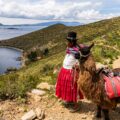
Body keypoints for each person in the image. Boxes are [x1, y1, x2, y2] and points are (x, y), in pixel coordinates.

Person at [55, 31, 84, 112]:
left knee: (72, 88)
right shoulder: (69, 48)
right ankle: (68, 100)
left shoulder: (77, 50)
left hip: (71, 71)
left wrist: (78, 62)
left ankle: (75, 104)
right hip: (64, 70)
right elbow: (67, 56)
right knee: (65, 87)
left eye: (68, 41)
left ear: (72, 41)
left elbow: (80, 60)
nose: (67, 42)